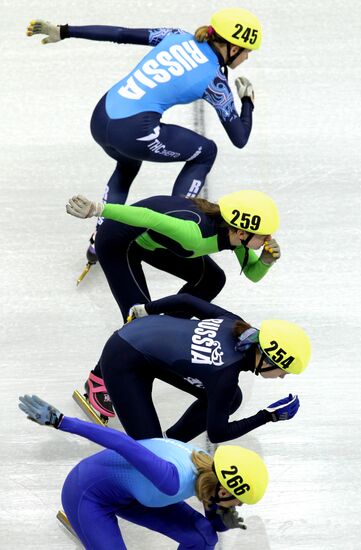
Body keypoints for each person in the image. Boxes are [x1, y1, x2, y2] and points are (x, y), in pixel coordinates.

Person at [27, 8, 261, 261]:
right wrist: (247, 101)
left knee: (127, 164)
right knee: (206, 151)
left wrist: (66, 31)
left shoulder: (176, 35)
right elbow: (240, 138)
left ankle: (100, 239)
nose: (247, 57)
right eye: (246, 51)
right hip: (133, 131)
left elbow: (121, 34)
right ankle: (176, 223)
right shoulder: (215, 82)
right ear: (232, 48)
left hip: (101, 116)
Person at [66, 190, 282, 421]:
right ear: (241, 232)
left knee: (212, 279)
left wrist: (266, 261)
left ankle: (163, 328)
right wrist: (98, 210)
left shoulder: (236, 237)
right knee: (138, 324)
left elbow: (253, 274)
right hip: (119, 240)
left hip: (151, 241)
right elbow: (148, 217)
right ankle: (98, 380)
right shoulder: (193, 234)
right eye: (264, 235)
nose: (268, 240)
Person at [18, 394, 269, 549]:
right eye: (241, 499)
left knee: (203, 537)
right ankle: (86, 525)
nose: (241, 506)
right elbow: (122, 442)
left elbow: (215, 525)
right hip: (87, 494)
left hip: (132, 495)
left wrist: (222, 515)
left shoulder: (209, 472)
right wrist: (61, 421)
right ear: (225, 489)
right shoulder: (172, 479)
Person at [80, 293, 310, 440]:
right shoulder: (225, 375)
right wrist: (267, 416)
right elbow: (218, 433)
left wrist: (146, 309)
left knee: (232, 399)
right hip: (123, 361)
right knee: (155, 458)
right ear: (268, 358)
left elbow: (186, 301)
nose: (282, 377)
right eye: (283, 371)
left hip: (144, 338)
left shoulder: (237, 324)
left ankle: (173, 441)